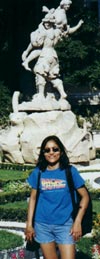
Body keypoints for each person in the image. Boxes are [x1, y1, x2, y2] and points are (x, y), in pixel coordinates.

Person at [25, 135, 89, 259]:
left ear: (61, 151)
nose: (51, 153)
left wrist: (77, 222)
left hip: (65, 224)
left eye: (55, 149)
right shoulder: (38, 172)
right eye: (47, 150)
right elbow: (33, 199)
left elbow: (85, 197)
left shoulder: (70, 171)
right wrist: (29, 224)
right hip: (42, 225)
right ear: (43, 153)